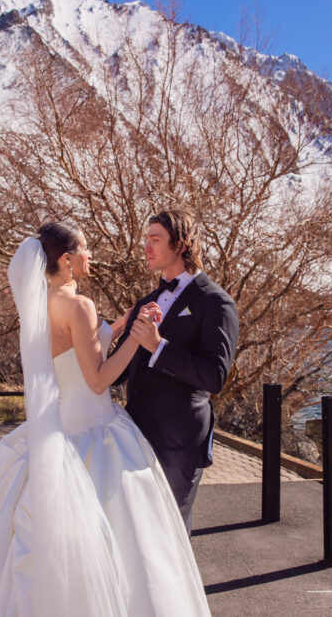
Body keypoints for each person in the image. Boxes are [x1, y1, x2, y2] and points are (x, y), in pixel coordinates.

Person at [0, 221, 210, 617]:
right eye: (86, 248)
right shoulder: (80, 305)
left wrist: (118, 327)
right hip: (96, 429)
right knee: (129, 542)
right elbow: (98, 379)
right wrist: (139, 340)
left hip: (59, 427)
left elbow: (71, 351)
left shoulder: (41, 302)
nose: (92, 255)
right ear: (67, 260)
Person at [115, 210, 239, 533]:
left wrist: (159, 347)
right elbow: (116, 371)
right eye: (146, 239)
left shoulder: (217, 303)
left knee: (169, 536)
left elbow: (215, 375)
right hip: (134, 438)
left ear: (181, 245)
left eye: (155, 239)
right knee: (135, 533)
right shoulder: (148, 301)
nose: (146, 246)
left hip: (179, 444)